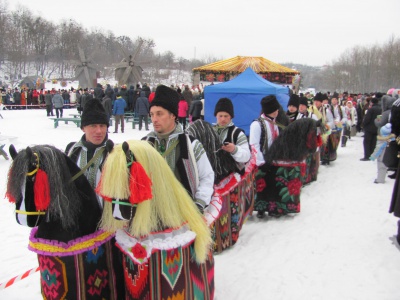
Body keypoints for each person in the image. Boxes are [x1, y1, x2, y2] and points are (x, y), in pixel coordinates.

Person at [143, 85, 214, 213]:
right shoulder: (144, 145)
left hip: (184, 216)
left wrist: (199, 203)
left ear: (173, 116)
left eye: (160, 114)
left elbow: (206, 177)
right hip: (150, 217)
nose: (154, 119)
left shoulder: (191, 145)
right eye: (152, 114)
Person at [249, 95, 281, 218]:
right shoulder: (257, 124)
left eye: (277, 110)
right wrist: (261, 161)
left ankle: (272, 207)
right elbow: (254, 145)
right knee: (261, 184)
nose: (277, 112)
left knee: (272, 184)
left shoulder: (274, 123)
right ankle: (261, 208)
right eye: (274, 110)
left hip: (272, 158)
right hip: (261, 160)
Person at [213, 97, 251, 172]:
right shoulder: (209, 131)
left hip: (233, 176)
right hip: (213, 175)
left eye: (226, 116)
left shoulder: (237, 133)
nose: (223, 119)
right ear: (216, 116)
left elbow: (247, 156)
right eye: (220, 116)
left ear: (231, 116)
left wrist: (234, 150)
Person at [361, 96, 382, 161]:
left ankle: (367, 156)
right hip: (376, 128)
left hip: (369, 128)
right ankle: (372, 155)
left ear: (372, 102)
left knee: (367, 142)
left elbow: (367, 119)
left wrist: (363, 125)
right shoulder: (381, 109)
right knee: (373, 142)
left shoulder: (371, 109)